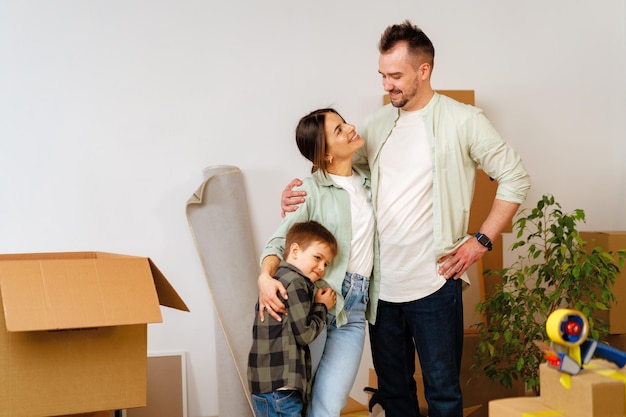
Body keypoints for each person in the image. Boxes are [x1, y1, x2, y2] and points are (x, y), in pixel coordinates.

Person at [278, 21, 531, 417]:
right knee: (395, 395)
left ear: (424, 70)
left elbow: (516, 177)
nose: (387, 85)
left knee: (443, 392)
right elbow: (335, 174)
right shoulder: (377, 126)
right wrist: (298, 194)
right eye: (382, 75)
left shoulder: (463, 121)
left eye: (395, 76)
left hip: (434, 284)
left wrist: (480, 240)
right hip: (380, 293)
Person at [257, 108, 379, 416]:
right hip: (313, 306)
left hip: (352, 310)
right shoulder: (311, 191)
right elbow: (276, 242)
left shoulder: (371, 182)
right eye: (339, 130)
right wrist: (264, 277)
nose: (351, 127)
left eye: (345, 122)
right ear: (324, 154)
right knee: (296, 400)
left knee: (330, 402)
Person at [248, 220, 338, 417]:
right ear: (295, 251)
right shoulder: (296, 283)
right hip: (282, 389)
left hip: (263, 385)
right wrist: (322, 306)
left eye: (326, 264)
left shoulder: (277, 281)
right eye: (317, 257)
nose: (321, 267)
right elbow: (304, 334)